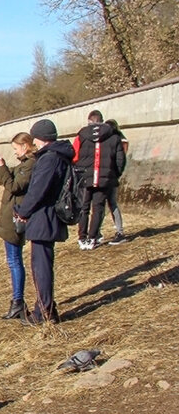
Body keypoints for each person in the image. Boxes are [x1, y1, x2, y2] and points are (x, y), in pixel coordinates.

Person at [13, 118, 74, 325]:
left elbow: (37, 191)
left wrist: (23, 212)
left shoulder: (49, 159)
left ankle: (43, 314)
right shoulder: (58, 155)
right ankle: (46, 308)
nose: (35, 144)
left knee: (41, 267)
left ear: (40, 138)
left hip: (44, 218)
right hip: (48, 217)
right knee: (43, 265)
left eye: (35, 139)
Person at [0, 132, 36, 320]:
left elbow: (14, 187)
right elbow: (14, 184)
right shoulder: (26, 164)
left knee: (15, 261)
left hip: (15, 218)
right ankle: (17, 302)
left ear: (25, 146)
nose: (15, 152)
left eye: (16, 148)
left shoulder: (30, 165)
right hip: (12, 217)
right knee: (13, 261)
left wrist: (1, 168)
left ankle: (18, 302)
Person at [70, 109, 126, 250]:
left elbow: (74, 156)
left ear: (89, 121)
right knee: (98, 208)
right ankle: (93, 238)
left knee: (84, 208)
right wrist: (114, 174)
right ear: (101, 120)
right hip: (104, 178)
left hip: (84, 177)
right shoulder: (113, 136)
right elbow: (120, 159)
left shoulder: (81, 135)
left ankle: (82, 238)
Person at [102, 119, 129, 244]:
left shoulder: (114, 141)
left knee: (104, 204)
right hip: (111, 176)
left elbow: (120, 161)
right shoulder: (119, 139)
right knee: (110, 204)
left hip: (108, 176)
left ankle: (118, 231)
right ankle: (119, 230)